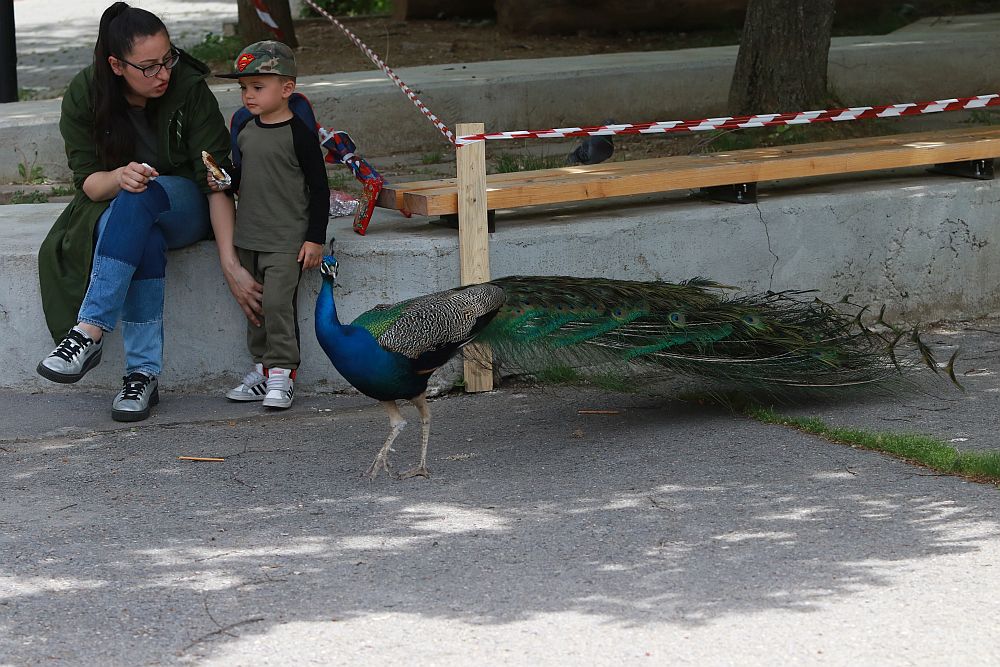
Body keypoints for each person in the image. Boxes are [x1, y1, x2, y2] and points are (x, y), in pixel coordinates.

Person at [36, 2, 265, 422]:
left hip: (184, 204)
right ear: (115, 65)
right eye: (149, 67)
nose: (163, 74)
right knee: (142, 227)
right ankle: (142, 376)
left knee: (142, 198)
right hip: (115, 206)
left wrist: (230, 264)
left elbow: (215, 179)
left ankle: (88, 331)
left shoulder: (188, 88)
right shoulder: (86, 93)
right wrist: (119, 176)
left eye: (168, 59)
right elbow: (88, 181)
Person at [212, 41, 330, 409]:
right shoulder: (245, 129)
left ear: (287, 89)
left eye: (258, 88)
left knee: (279, 303)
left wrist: (315, 239)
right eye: (244, 88)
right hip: (249, 237)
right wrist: (223, 177)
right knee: (257, 308)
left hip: (285, 239)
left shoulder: (301, 135)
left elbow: (320, 189)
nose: (248, 96)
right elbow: (242, 173)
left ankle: (283, 372)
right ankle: (263, 370)